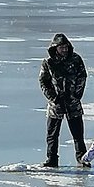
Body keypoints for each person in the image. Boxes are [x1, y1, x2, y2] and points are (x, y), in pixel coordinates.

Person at [38, 32, 87, 167]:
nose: (64, 50)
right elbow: (44, 82)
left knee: (78, 134)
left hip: (73, 102)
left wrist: (76, 95)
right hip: (56, 104)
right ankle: (52, 159)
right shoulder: (48, 62)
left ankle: (82, 158)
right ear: (55, 48)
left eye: (66, 47)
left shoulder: (76, 59)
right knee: (52, 134)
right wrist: (53, 97)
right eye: (61, 47)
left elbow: (82, 77)